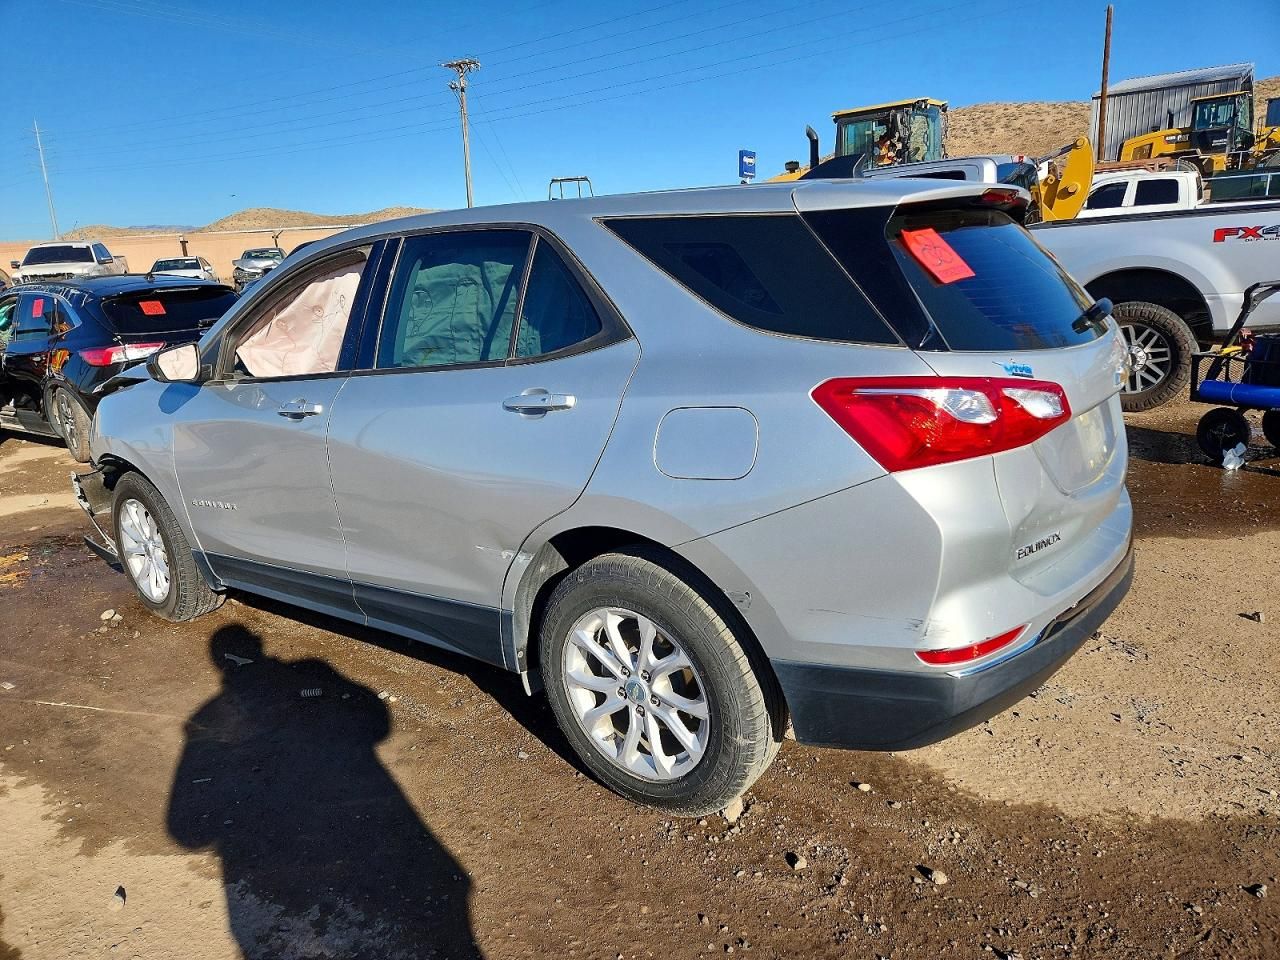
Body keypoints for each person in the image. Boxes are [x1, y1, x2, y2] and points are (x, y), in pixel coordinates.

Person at [168, 625, 481, 959]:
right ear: (256, 644)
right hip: (364, 854)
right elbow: (378, 721)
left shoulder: (208, 720)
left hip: (285, 880)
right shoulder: (304, 675)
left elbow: (186, 832)